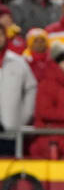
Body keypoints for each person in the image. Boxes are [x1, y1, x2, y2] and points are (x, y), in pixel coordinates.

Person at [0, 22, 37, 155]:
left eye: (0, 35)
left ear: (6, 37)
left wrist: (23, 118)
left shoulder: (18, 62)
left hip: (11, 131)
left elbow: (31, 89)